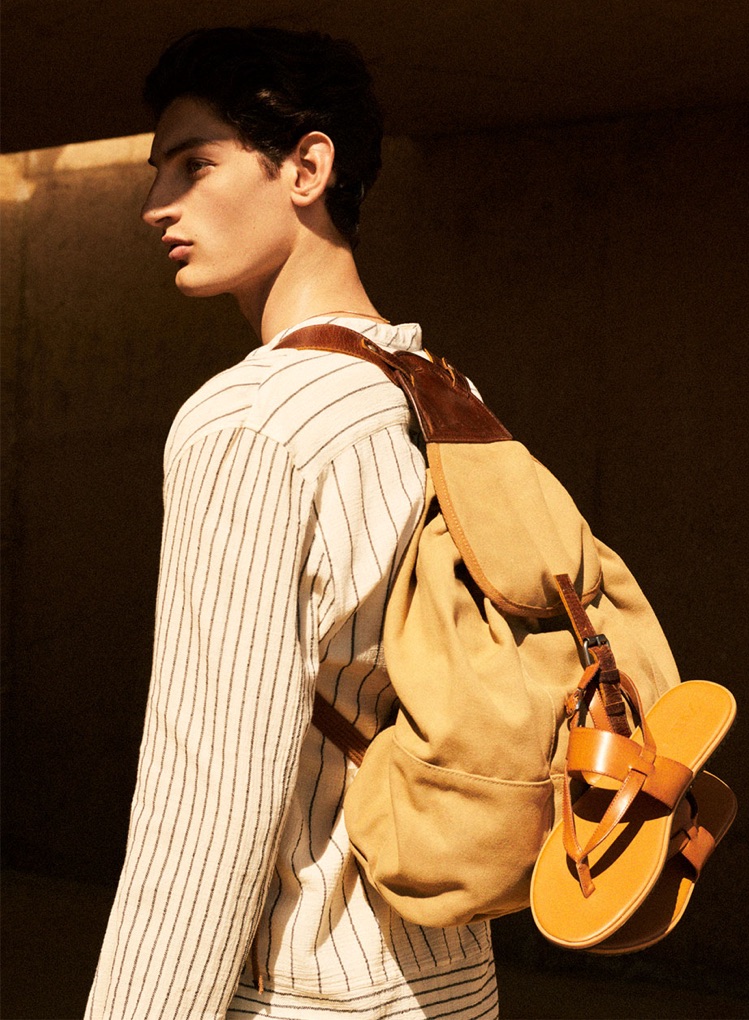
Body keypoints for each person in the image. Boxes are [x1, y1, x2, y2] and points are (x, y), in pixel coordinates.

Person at [86, 26, 498, 1020]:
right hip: (451, 975)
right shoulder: (443, 393)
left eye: (194, 164)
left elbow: (211, 798)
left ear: (308, 166)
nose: (155, 207)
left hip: (299, 989)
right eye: (156, 174)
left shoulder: (247, 422)